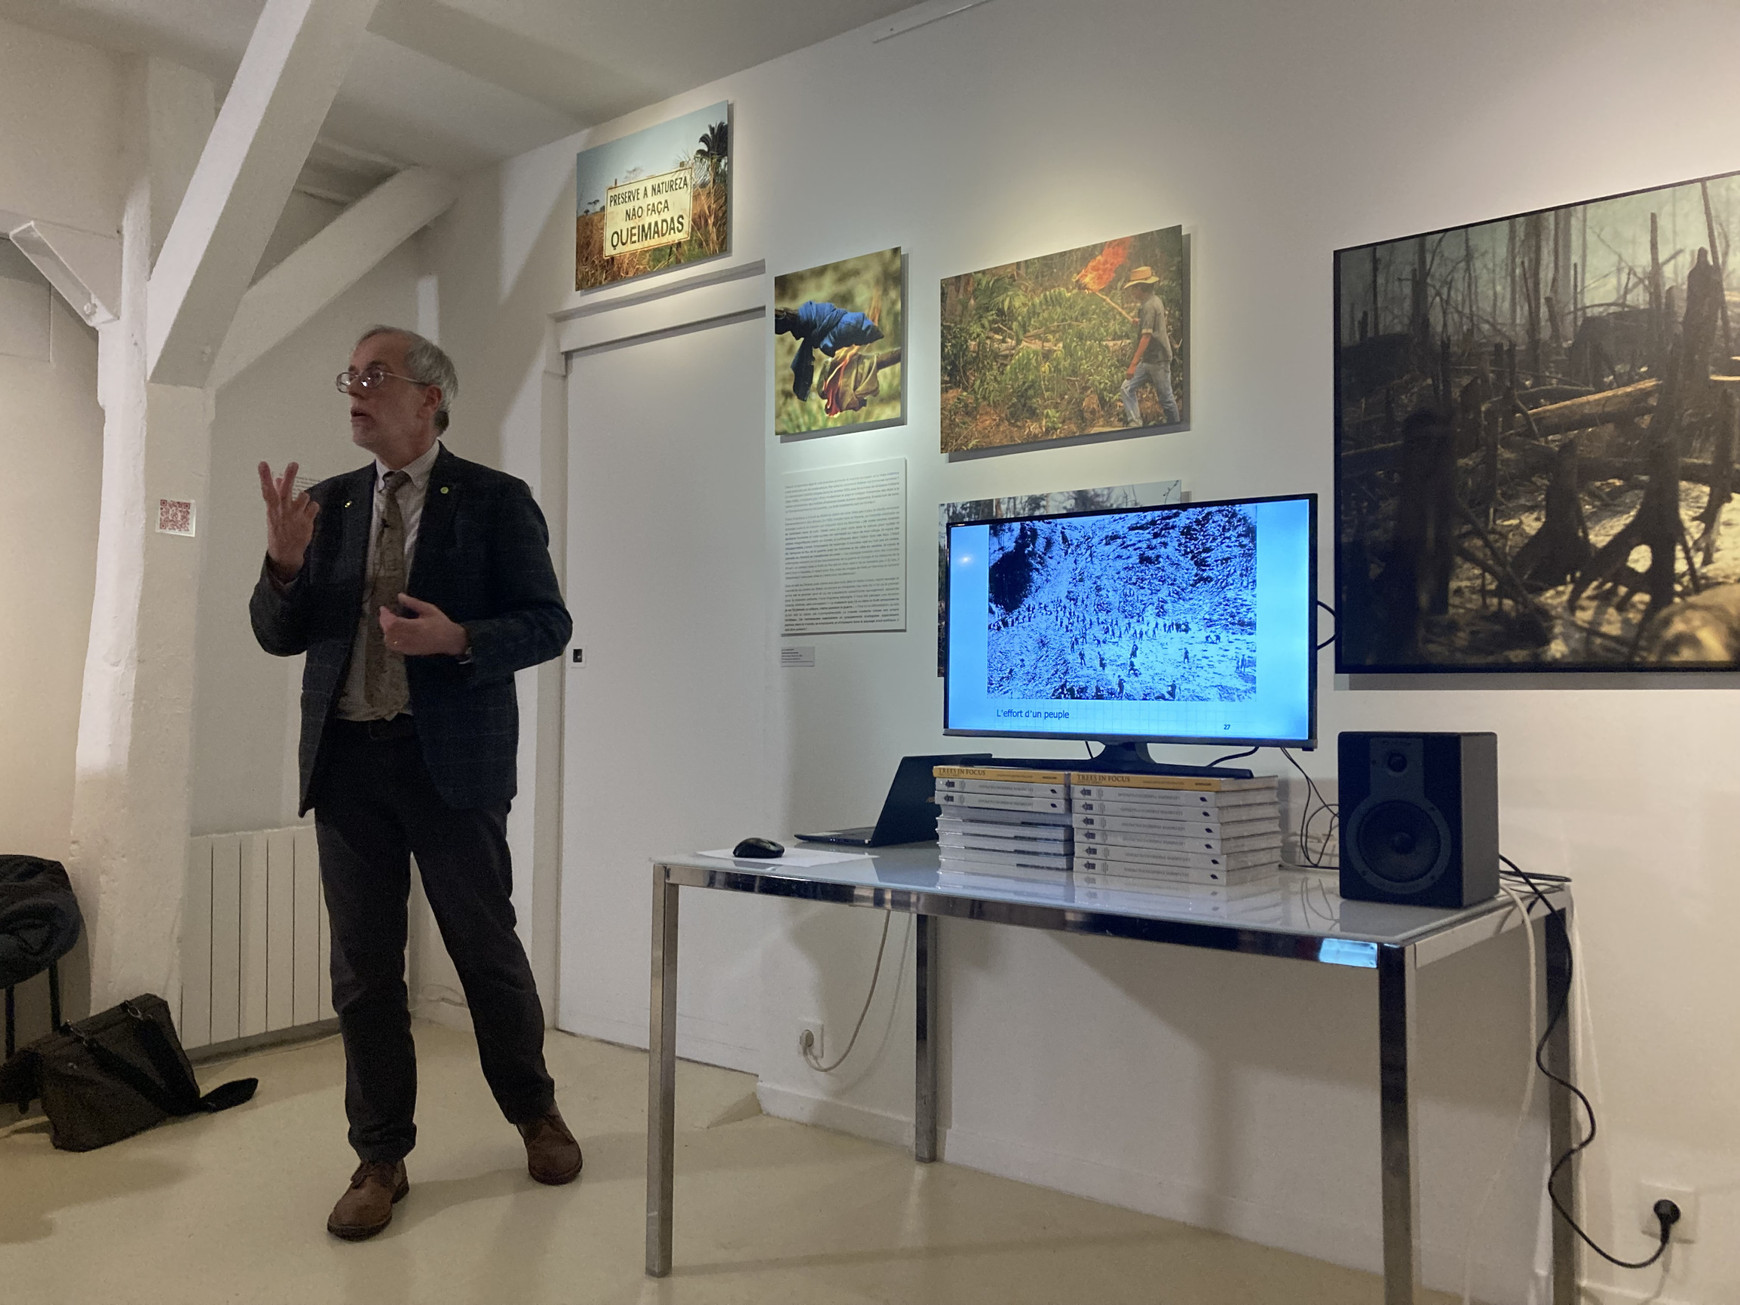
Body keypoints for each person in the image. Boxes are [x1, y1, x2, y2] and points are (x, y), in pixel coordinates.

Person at [250, 326, 577, 1241]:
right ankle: (379, 1154)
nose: (355, 388)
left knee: (486, 952)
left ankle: (535, 1111)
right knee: (363, 970)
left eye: (375, 375)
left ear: (431, 395)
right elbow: (279, 633)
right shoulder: (326, 504)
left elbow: (548, 622)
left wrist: (461, 639)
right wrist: (282, 565)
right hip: (349, 763)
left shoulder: (495, 500)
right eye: (350, 374)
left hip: (453, 765)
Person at [1120, 265, 1181, 427]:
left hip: (1158, 360)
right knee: (1126, 388)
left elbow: (1146, 337)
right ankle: (1135, 424)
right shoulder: (1153, 301)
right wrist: (1140, 323)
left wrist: (1132, 364)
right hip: (1148, 359)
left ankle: (1175, 428)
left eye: (1134, 289)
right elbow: (1153, 326)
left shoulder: (1149, 306)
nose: (1132, 292)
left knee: (1166, 399)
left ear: (1141, 288)